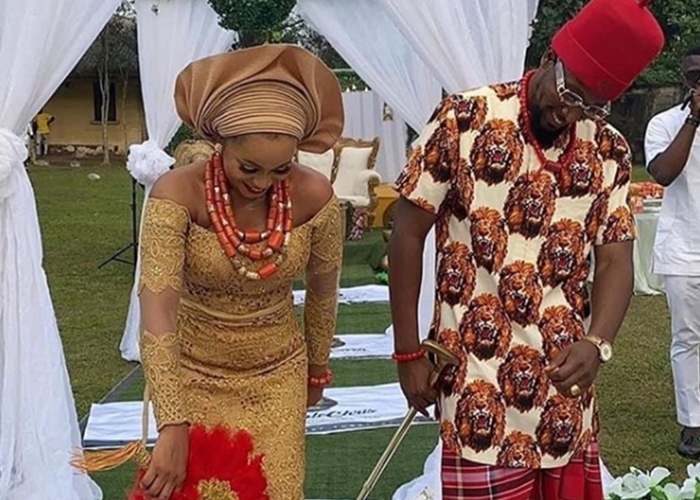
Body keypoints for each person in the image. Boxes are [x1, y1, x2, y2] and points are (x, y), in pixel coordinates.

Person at [388, 0, 664, 498]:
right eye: (570, 92)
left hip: (563, 388)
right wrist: (408, 351)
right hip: (476, 386)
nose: (571, 112)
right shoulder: (465, 118)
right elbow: (408, 231)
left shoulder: (608, 150)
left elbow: (615, 260)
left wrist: (597, 343)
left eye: (592, 105)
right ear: (551, 54)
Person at [127, 45, 342, 500]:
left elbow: (324, 291)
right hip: (190, 375)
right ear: (220, 145)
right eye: (248, 167)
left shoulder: (316, 196)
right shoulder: (175, 194)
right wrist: (172, 421)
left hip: (278, 375)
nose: (262, 183)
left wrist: (317, 367)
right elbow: (158, 310)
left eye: (280, 169)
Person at [645, 45, 700, 459]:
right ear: (684, 79)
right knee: (688, 339)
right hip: (684, 250)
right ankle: (692, 423)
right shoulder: (665, 123)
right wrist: (694, 120)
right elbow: (663, 173)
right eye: (694, 75)